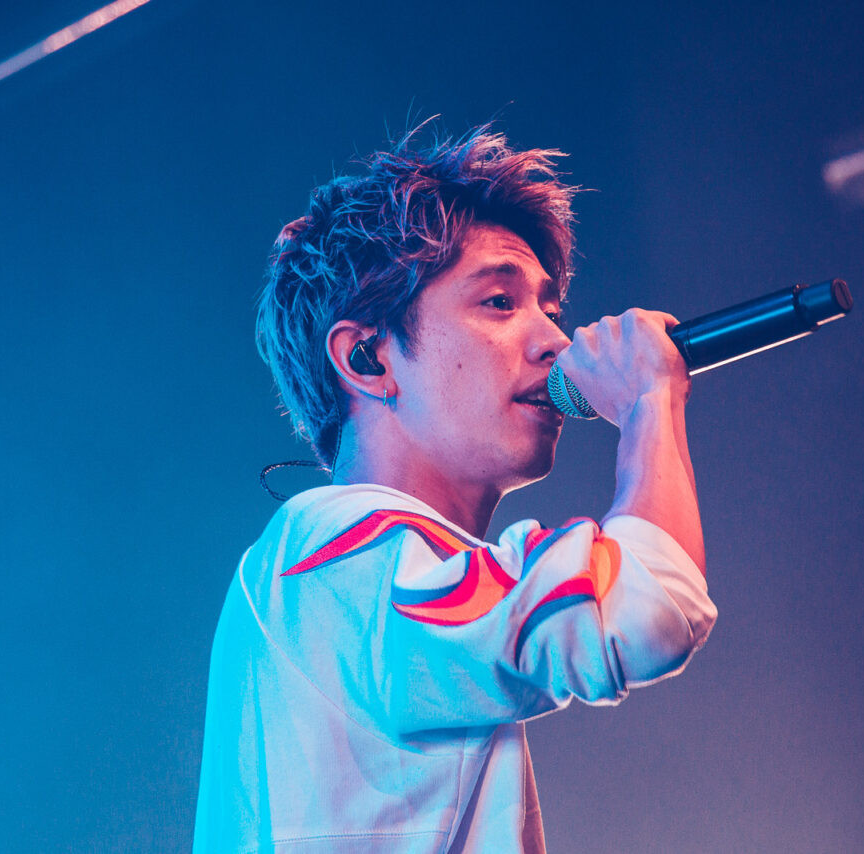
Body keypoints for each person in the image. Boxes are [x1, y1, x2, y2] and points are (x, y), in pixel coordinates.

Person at [193, 122, 717, 853]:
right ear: (368, 359)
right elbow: (645, 607)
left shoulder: (347, 568)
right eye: (499, 302)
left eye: (550, 311)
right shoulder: (338, 548)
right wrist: (650, 401)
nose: (555, 341)